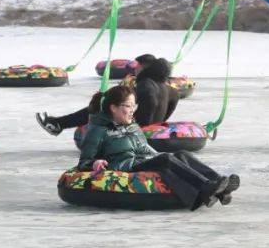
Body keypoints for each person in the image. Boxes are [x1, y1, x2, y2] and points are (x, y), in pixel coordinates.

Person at [78, 85, 238, 209]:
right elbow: (84, 162)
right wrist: (95, 163)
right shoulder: (97, 130)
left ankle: (219, 185)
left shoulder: (132, 126)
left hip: (141, 161)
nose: (132, 111)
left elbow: (146, 149)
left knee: (181, 154)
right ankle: (205, 187)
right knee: (166, 159)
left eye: (134, 106)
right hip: (125, 167)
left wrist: (159, 157)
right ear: (113, 108)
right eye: (128, 106)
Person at [35, 53, 160, 135]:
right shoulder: (160, 84)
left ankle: (58, 124)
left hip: (139, 127)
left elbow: (147, 104)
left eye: (137, 66)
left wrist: (139, 127)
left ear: (145, 68)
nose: (135, 69)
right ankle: (59, 123)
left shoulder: (146, 84)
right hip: (148, 124)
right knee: (103, 105)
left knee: (97, 109)